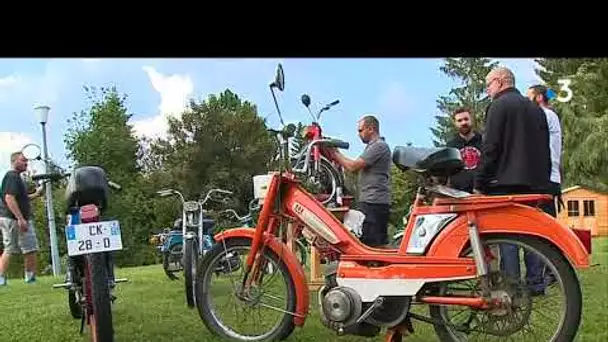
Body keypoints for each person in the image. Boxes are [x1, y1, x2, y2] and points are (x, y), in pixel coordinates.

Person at [474, 67, 552, 295]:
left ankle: (513, 286)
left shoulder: (498, 106)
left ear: (499, 82)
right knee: (532, 235)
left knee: (507, 238)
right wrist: (544, 181)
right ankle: (536, 284)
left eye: (488, 85)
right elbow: (545, 150)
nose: (488, 90)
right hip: (534, 183)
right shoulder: (536, 110)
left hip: (505, 183)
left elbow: (491, 148)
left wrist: (480, 182)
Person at [328, 115, 392, 248]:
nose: (358, 134)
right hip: (370, 201)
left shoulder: (379, 146)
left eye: (360, 130)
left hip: (374, 203)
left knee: (372, 246)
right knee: (370, 244)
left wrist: (335, 154)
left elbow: (352, 166)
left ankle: (379, 269)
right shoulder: (371, 147)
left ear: (371, 129)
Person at [0, 152, 44, 285]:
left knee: (30, 248)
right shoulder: (12, 176)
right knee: (10, 248)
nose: (26, 163)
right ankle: (0, 278)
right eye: (23, 160)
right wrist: (20, 219)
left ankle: (30, 278)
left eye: (27, 161)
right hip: (12, 219)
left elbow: (22, 198)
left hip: (20, 218)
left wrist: (36, 194)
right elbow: (9, 198)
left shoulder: (18, 178)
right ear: (14, 161)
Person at [527, 84, 564, 216]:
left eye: (529, 97)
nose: (526, 101)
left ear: (539, 98)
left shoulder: (545, 115)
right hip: (549, 176)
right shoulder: (549, 115)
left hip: (545, 177)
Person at [446, 107, 483, 193]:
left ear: (472, 120)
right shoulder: (451, 146)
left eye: (466, 119)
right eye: (459, 120)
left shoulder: (484, 141)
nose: (463, 123)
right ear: (455, 123)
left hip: (482, 192)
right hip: (458, 194)